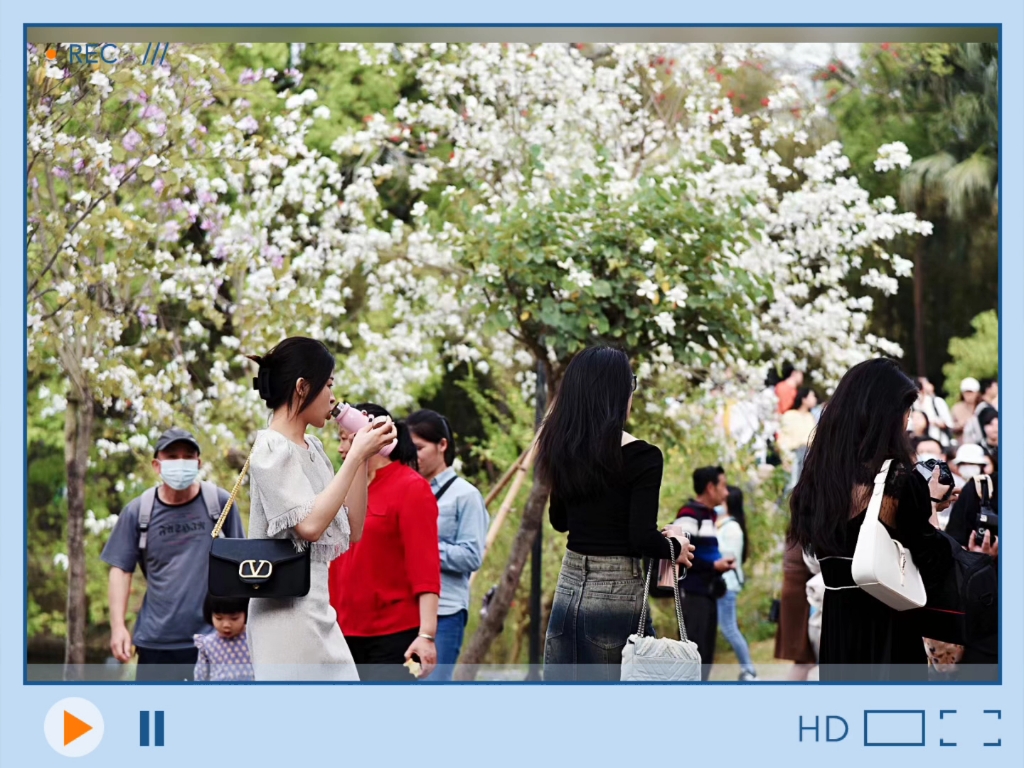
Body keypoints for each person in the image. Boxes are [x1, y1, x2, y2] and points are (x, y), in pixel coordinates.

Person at [789, 358, 958, 682]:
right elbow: (934, 562)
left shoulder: (816, 480)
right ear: (885, 415)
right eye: (905, 410)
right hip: (889, 627)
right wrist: (931, 504)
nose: (908, 421)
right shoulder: (896, 480)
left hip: (838, 626)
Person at [245, 337, 397, 681]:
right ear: (302, 387)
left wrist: (361, 453)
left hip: (317, 608)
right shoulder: (270, 448)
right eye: (328, 385)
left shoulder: (313, 448)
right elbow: (309, 526)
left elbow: (354, 528)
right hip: (282, 614)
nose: (333, 397)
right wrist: (356, 455)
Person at [539, 347, 695, 682]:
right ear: (618, 392)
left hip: (568, 586)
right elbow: (639, 537)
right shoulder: (643, 456)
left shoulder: (560, 445)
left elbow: (560, 522)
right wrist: (676, 548)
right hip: (616, 591)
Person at [101, 427, 245, 682]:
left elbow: (241, 563)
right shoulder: (138, 511)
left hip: (215, 638)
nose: (181, 462)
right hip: (157, 642)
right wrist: (118, 626)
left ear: (198, 463)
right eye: (172, 456)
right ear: (157, 465)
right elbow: (121, 570)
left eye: (188, 456)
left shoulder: (220, 504)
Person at [330, 404, 441, 682]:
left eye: (346, 438)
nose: (342, 448)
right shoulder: (339, 487)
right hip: (339, 632)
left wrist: (426, 636)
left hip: (394, 638)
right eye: (340, 439)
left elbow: (425, 569)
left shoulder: (412, 488)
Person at [405, 409, 489, 682]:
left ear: (443, 445)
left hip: (445, 613)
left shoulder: (465, 496)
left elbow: (471, 555)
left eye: (420, 447)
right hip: (405, 611)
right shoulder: (406, 489)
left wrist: (422, 549)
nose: (413, 455)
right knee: (407, 686)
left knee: (431, 685)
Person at [674, 466, 736, 681]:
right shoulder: (689, 515)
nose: (726, 492)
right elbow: (677, 554)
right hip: (693, 595)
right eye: (723, 486)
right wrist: (713, 567)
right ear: (710, 488)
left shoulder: (708, 516)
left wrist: (717, 565)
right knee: (693, 654)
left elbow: (704, 553)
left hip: (707, 594)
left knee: (706, 656)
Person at [716, 486, 757, 681]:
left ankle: (749, 669)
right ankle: (748, 669)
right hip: (722, 584)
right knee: (728, 627)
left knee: (729, 628)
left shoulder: (731, 527)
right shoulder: (724, 525)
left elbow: (728, 556)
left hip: (727, 585)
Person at [773, 539, 817, 681]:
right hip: (800, 594)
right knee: (804, 660)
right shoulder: (804, 526)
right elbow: (814, 563)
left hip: (795, 591)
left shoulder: (796, 526)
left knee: (805, 660)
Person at [193, 594, 253, 682]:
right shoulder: (207, 643)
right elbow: (201, 675)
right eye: (219, 618)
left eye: (234, 618)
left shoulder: (253, 638)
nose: (226, 625)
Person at [915, 377, 953, 446]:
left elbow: (948, 423)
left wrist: (930, 421)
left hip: (940, 442)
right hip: (921, 444)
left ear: (922, 390)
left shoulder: (936, 402)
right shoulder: (913, 406)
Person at [950, 377, 982, 444]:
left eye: (971, 392)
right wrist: (960, 425)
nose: (968, 395)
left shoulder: (982, 407)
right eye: (966, 393)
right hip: (963, 444)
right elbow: (951, 427)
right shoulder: (957, 408)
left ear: (977, 393)